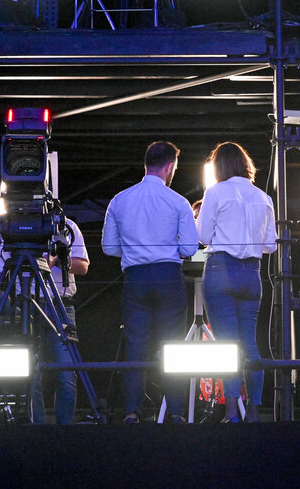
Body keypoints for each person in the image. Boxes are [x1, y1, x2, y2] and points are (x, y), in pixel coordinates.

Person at [101, 140, 198, 424]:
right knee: (173, 346)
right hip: (168, 276)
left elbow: (108, 248)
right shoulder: (178, 202)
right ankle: (177, 412)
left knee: (135, 345)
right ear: (170, 166)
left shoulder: (120, 200)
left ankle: (132, 411)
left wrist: (133, 252)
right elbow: (190, 248)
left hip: (135, 277)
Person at [196, 141, 277, 423]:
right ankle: (253, 411)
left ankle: (231, 411)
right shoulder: (264, 197)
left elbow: (204, 237)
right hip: (252, 273)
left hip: (221, 269)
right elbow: (271, 246)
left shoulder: (215, 192)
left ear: (218, 166)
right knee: (250, 345)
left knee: (228, 345)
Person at [0, 218, 89, 425]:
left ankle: (65, 432)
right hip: (25, 304)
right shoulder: (13, 228)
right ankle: (36, 429)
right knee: (30, 372)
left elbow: (83, 266)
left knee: (66, 373)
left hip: (60, 305)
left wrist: (57, 258)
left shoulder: (65, 227)